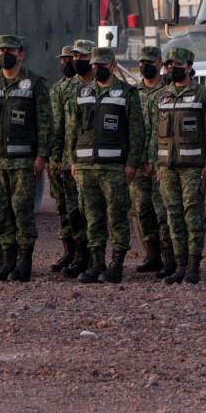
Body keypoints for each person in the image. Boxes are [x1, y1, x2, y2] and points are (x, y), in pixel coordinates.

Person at [0, 34, 52, 282]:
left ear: (20, 54)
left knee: (22, 211)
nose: (4, 54)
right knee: (0, 211)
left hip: (23, 161)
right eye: (1, 51)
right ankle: (7, 260)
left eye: (10, 50)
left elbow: (44, 122)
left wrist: (42, 155)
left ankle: (24, 261)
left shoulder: (34, 83)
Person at [66, 47, 144, 284]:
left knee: (117, 215)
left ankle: (116, 264)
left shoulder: (127, 93)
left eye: (102, 65)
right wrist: (72, 160)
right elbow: (73, 129)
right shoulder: (83, 92)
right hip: (86, 166)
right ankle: (96, 263)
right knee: (92, 216)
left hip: (114, 167)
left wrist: (132, 163)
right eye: (94, 65)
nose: (97, 69)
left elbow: (137, 131)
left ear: (111, 66)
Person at [147, 47, 206, 284]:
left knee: (192, 215)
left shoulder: (203, 94)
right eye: (168, 65)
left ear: (188, 66)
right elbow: (155, 134)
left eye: (176, 64)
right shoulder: (162, 95)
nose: (171, 68)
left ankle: (193, 266)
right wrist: (156, 163)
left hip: (193, 166)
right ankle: (179, 265)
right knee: (173, 216)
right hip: (167, 166)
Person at [129, 46, 172, 277]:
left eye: (150, 62)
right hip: (138, 162)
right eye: (142, 61)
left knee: (163, 212)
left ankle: (169, 256)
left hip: (161, 162)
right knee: (143, 211)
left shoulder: (169, 90)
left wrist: (155, 161)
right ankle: (152, 254)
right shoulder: (133, 92)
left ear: (159, 64)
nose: (145, 65)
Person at [48, 45, 83, 274]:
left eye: (69, 59)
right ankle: (68, 250)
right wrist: (52, 156)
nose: (65, 63)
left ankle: (82, 253)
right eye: (64, 60)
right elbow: (54, 125)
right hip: (57, 157)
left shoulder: (82, 87)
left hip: (75, 158)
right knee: (62, 207)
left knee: (77, 208)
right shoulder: (57, 88)